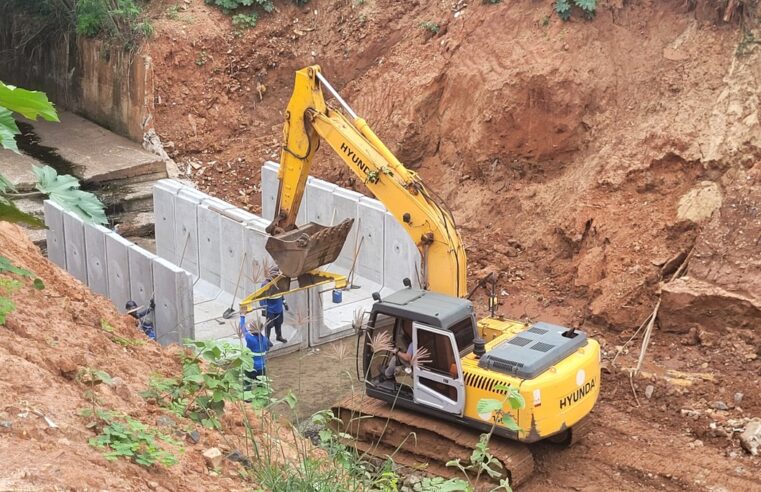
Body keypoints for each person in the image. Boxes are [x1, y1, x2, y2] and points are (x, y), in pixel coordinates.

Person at [241, 320, 273, 393]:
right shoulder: (265, 339)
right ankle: (262, 400)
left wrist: (242, 315)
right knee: (261, 386)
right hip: (261, 367)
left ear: (252, 329)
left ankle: (247, 401)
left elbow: (243, 328)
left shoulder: (250, 339)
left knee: (247, 386)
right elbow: (268, 348)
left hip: (250, 367)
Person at [260, 267, 288, 343]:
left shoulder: (279, 282)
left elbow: (281, 293)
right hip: (270, 308)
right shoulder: (265, 284)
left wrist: (284, 302)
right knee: (269, 324)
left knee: (279, 323)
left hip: (279, 307)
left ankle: (279, 336)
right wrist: (263, 308)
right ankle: (267, 339)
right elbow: (261, 297)